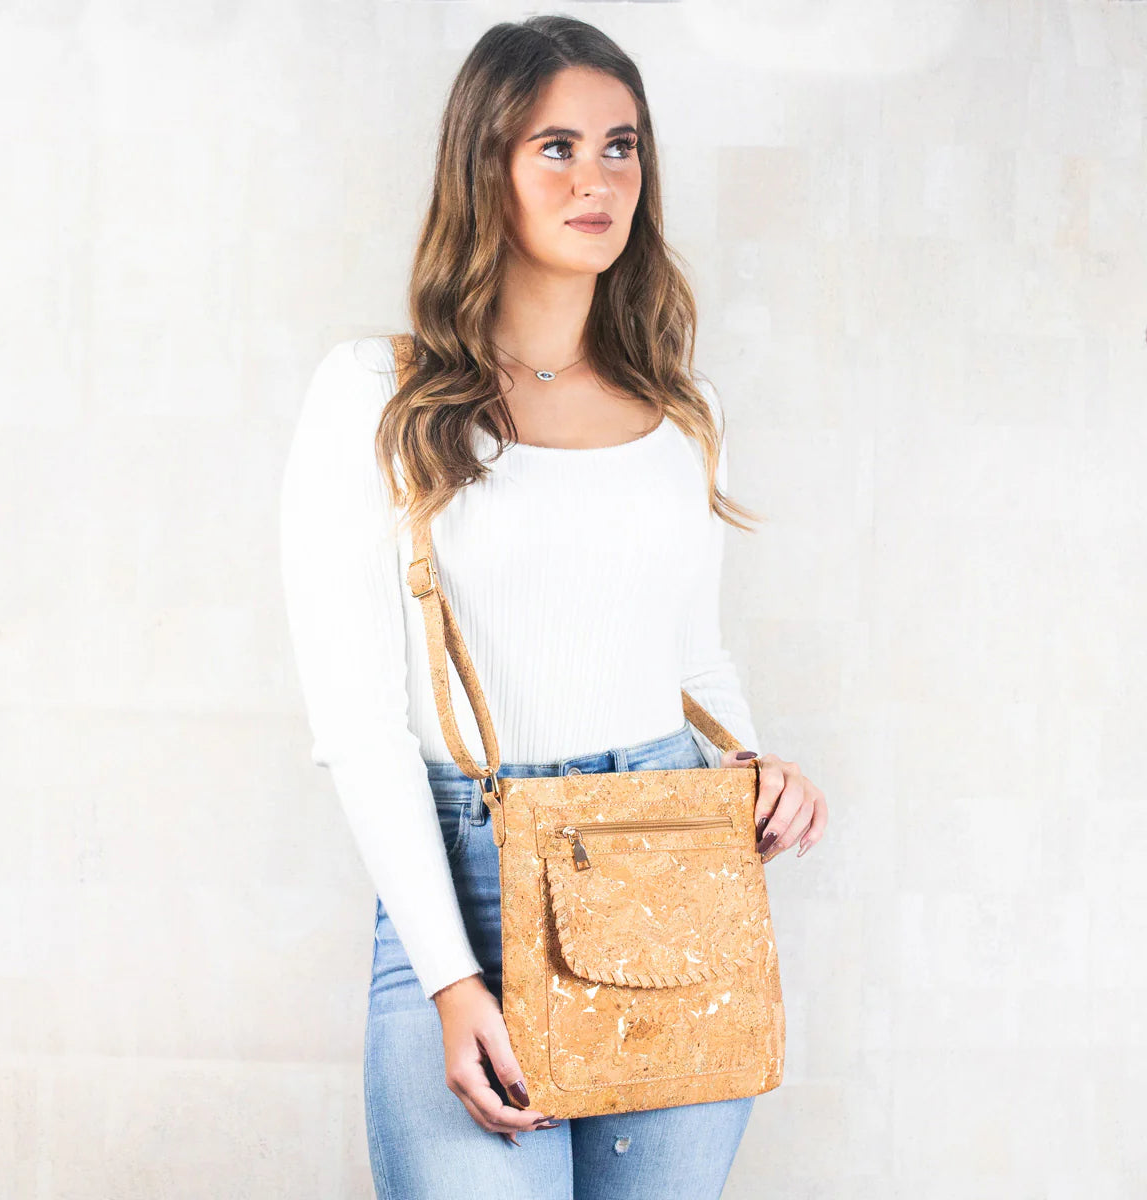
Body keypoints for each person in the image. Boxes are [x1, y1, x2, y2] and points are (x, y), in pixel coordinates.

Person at [279, 14, 829, 1198]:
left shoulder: (684, 411)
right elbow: (360, 724)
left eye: (622, 147)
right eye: (558, 147)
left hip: (674, 876)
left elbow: (691, 656)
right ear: (486, 167)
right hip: (467, 891)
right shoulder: (375, 395)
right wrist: (449, 977)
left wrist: (756, 760)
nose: (599, 180)